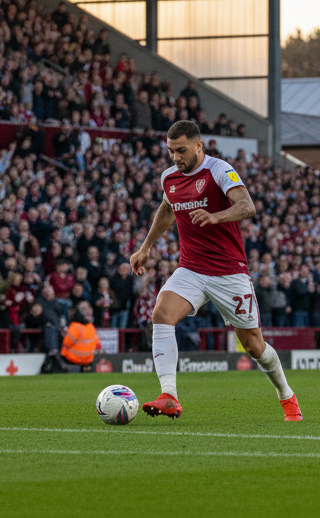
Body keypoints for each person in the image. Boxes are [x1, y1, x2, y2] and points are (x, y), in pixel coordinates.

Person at [129, 120, 301, 421]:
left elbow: (247, 206)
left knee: (253, 345)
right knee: (161, 314)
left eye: (181, 151)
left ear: (199, 146)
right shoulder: (169, 178)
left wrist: (216, 216)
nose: (175, 158)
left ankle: (287, 396)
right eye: (170, 152)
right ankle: (169, 395)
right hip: (191, 269)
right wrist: (145, 248)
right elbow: (167, 210)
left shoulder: (218, 170)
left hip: (229, 273)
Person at [60, 301, 101, 371]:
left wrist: (63, 335)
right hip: (88, 360)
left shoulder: (75, 327)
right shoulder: (91, 327)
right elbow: (98, 345)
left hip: (72, 359)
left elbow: (67, 343)